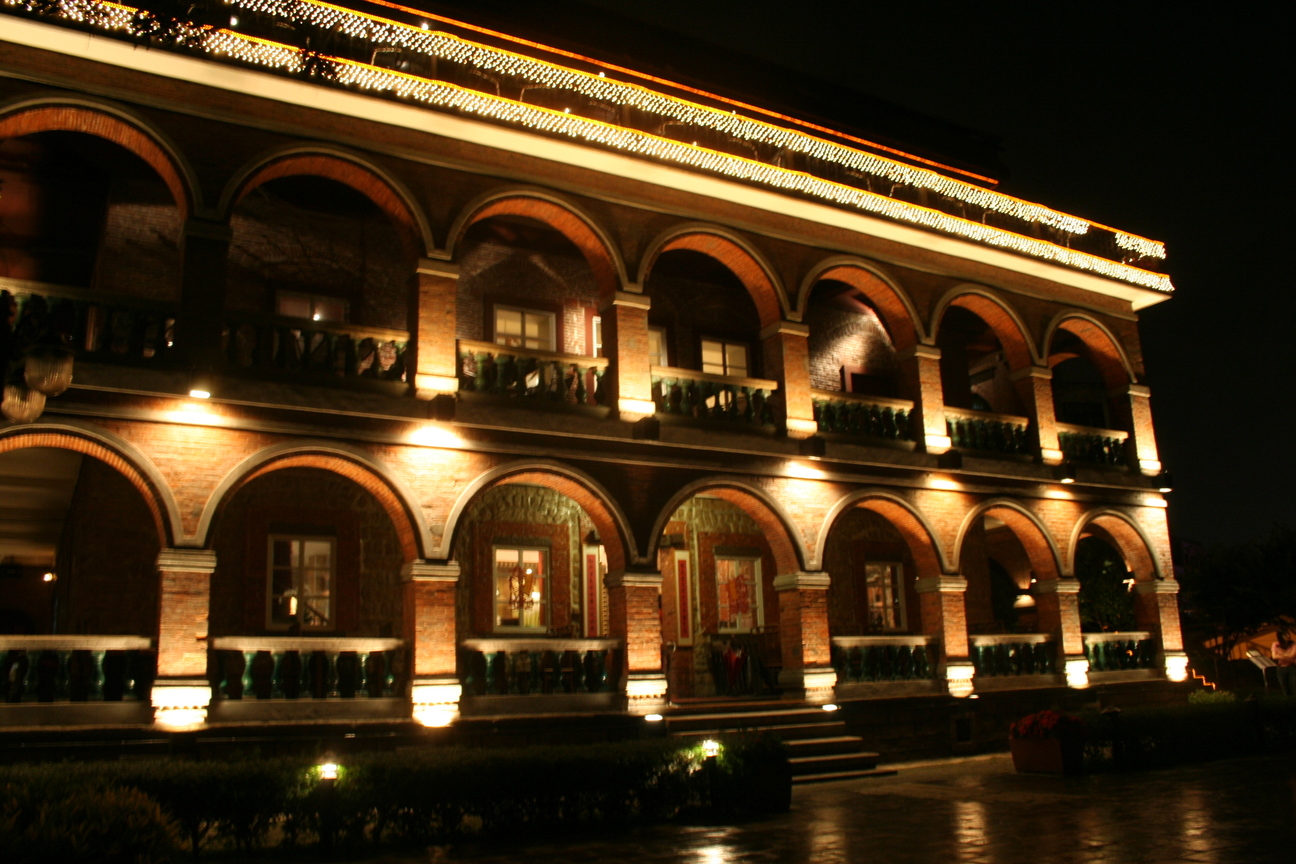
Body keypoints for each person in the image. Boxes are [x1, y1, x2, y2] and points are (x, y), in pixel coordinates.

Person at [1272, 630, 1296, 697]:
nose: (1288, 636)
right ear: (1281, 636)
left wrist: (1281, 656)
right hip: (1280, 668)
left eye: (1288, 634)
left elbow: (1292, 655)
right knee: (1284, 688)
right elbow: (1274, 656)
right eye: (1285, 634)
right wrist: (1287, 655)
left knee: (1293, 686)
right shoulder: (1276, 644)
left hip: (1292, 667)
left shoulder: (1294, 644)